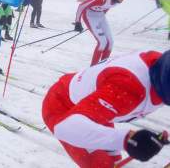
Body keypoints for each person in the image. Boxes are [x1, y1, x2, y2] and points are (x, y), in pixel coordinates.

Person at [42, 50, 170, 168]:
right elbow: (65, 128)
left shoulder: (160, 66)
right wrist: (127, 140)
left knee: (112, 163)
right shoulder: (127, 88)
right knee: (102, 165)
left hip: (97, 107)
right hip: (63, 107)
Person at [74, 0, 129, 66]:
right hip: (89, 15)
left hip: (100, 15)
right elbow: (82, 6)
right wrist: (78, 22)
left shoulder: (117, 1)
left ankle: (102, 67)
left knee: (110, 42)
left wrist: (99, 22)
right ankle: (92, 68)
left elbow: (106, 7)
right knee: (102, 42)